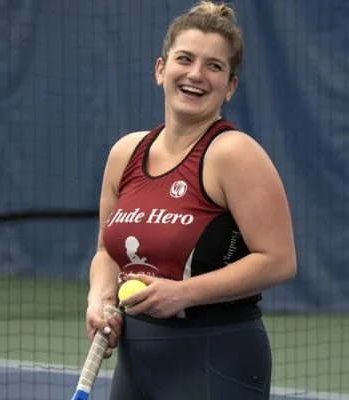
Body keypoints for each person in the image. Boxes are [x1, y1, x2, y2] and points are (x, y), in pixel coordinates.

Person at [86, 1, 297, 399]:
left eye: (214, 66)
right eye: (185, 59)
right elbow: (106, 253)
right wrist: (100, 298)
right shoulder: (125, 153)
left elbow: (279, 260)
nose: (196, 74)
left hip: (217, 360)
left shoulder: (235, 154)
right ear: (160, 69)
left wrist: (181, 293)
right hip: (136, 361)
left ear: (230, 86)